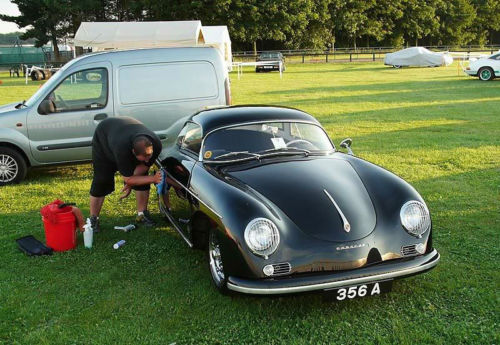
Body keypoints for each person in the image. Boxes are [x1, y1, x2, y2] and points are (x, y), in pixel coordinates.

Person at [89, 116, 163, 232]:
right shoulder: (122, 148)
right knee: (102, 180)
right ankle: (93, 220)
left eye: (150, 156)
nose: (148, 160)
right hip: (104, 138)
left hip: (122, 132)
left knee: (143, 179)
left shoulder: (156, 144)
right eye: (144, 157)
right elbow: (129, 178)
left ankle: (142, 214)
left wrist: (134, 181)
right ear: (133, 152)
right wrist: (151, 179)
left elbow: (141, 170)